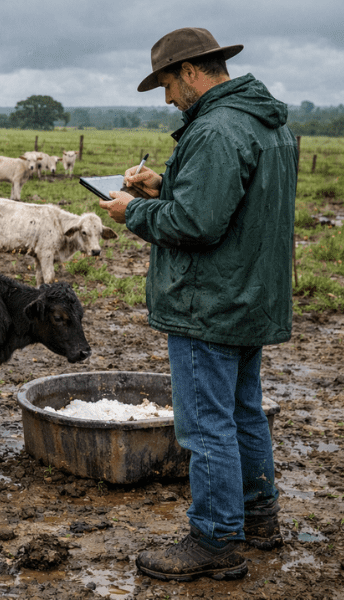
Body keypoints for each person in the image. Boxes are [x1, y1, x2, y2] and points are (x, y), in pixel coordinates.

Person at [99, 27, 297, 582]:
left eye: (166, 84)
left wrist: (130, 212)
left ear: (189, 72)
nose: (166, 98)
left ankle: (214, 539)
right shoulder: (264, 122)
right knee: (242, 414)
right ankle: (259, 520)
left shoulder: (213, 128)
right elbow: (236, 201)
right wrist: (167, 184)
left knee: (206, 426)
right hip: (249, 295)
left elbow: (196, 224)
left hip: (207, 301)